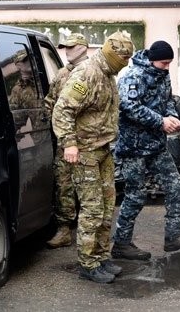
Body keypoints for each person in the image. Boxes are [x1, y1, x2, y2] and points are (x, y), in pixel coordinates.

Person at [51, 31, 134, 283]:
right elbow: (62, 110)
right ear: (112, 56)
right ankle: (88, 263)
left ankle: (100, 256)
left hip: (103, 149)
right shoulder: (87, 74)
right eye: (123, 59)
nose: (125, 64)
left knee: (108, 206)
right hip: (84, 151)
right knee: (92, 208)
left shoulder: (108, 74)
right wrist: (69, 144)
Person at [111, 40, 180, 261]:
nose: (167, 67)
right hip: (133, 148)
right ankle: (121, 244)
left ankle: (174, 237)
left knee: (176, 187)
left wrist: (171, 116)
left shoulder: (162, 75)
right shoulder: (132, 76)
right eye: (164, 63)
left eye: (169, 62)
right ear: (152, 60)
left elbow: (167, 100)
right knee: (135, 195)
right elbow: (129, 107)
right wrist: (160, 121)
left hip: (156, 146)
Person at [44, 33, 89, 249]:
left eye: (71, 47)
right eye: (65, 47)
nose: (67, 51)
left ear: (82, 47)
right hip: (64, 141)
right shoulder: (62, 75)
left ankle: (90, 232)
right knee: (63, 184)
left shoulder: (93, 72)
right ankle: (64, 229)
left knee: (90, 186)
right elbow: (50, 103)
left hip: (88, 141)